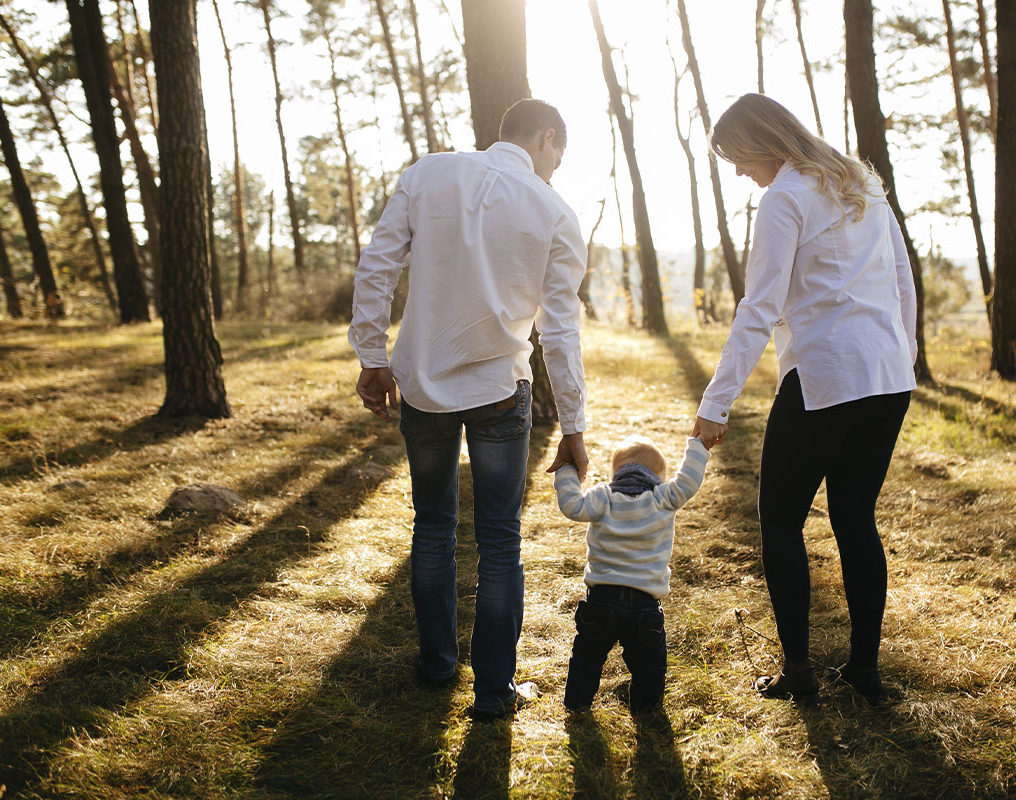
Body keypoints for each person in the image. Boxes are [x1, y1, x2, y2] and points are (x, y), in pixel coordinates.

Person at [349, 98, 589, 722]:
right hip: (499, 393)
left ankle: (436, 667)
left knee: (431, 527)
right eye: (556, 154)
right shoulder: (555, 211)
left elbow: (376, 265)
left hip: (421, 384)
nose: (555, 168)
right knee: (500, 541)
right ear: (544, 136)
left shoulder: (429, 172)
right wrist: (574, 424)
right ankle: (493, 692)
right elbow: (560, 334)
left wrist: (372, 353)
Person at [690, 93, 916, 704]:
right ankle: (865, 674)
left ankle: (799, 674)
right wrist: (906, 353)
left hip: (828, 376)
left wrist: (716, 403)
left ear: (763, 142)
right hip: (887, 376)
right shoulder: (860, 178)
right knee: (854, 517)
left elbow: (758, 309)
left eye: (737, 156)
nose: (738, 171)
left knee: (781, 521)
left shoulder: (783, 199)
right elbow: (902, 276)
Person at [553, 434, 709, 713]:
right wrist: (699, 445)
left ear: (617, 472)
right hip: (644, 606)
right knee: (650, 664)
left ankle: (577, 705)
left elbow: (571, 505)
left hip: (600, 601)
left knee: (587, 658)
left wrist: (566, 467)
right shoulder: (663, 498)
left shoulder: (603, 497)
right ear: (657, 476)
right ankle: (646, 711)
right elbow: (688, 481)